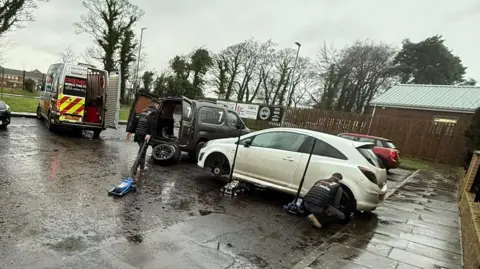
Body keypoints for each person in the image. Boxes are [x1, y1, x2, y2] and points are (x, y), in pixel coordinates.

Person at [126, 99, 160, 178]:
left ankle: (142, 167)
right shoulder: (154, 112)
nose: (158, 106)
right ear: (155, 105)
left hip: (138, 134)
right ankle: (133, 170)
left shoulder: (143, 111)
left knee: (143, 150)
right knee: (141, 152)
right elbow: (152, 123)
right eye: (158, 105)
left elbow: (135, 121)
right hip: (145, 134)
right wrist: (149, 133)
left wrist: (130, 131)